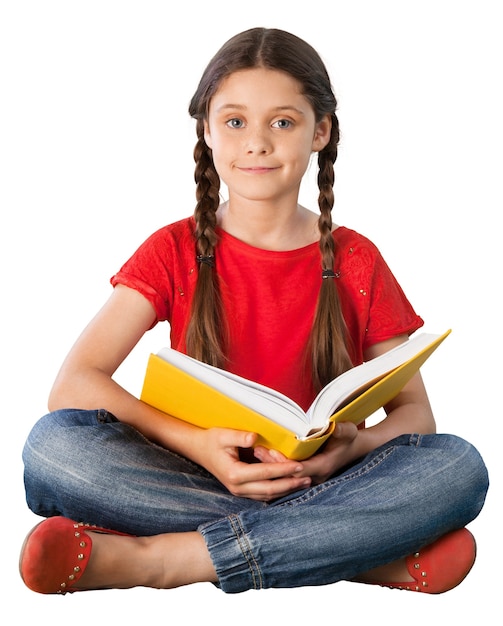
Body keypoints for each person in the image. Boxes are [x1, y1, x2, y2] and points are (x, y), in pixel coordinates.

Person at [20, 27, 488, 595]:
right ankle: (359, 555)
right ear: (207, 132)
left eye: (283, 122)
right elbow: (73, 383)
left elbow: (416, 418)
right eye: (235, 121)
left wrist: (348, 448)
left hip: (327, 477)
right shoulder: (174, 249)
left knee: (457, 467)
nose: (257, 143)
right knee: (55, 450)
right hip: (200, 473)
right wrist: (197, 444)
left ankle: (160, 560)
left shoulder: (357, 259)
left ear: (320, 132)